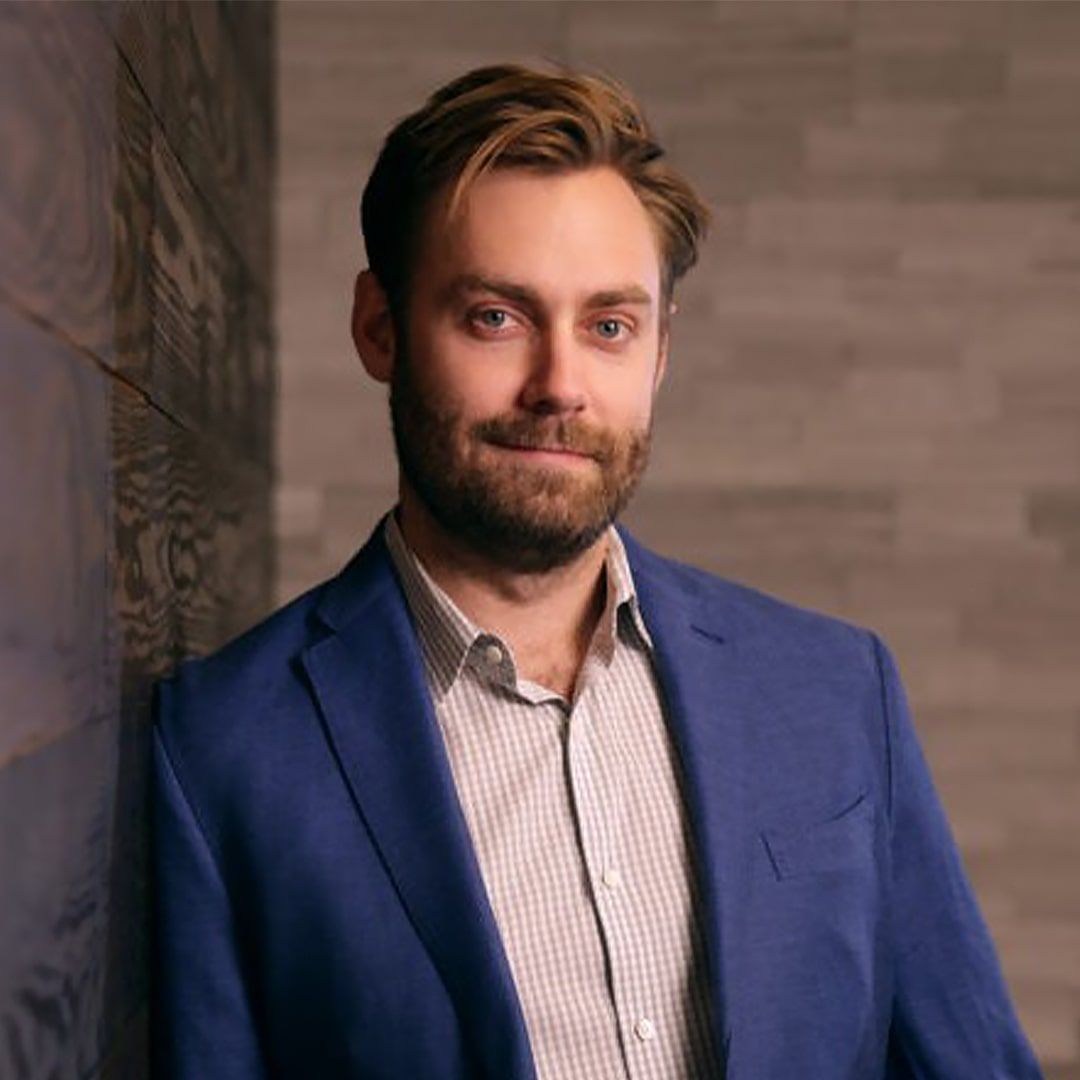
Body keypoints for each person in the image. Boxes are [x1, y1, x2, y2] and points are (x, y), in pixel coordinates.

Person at [152, 64, 1042, 1079]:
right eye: (497, 316)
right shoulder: (223, 750)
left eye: (609, 326)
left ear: (659, 354)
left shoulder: (837, 691)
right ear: (380, 328)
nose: (560, 386)